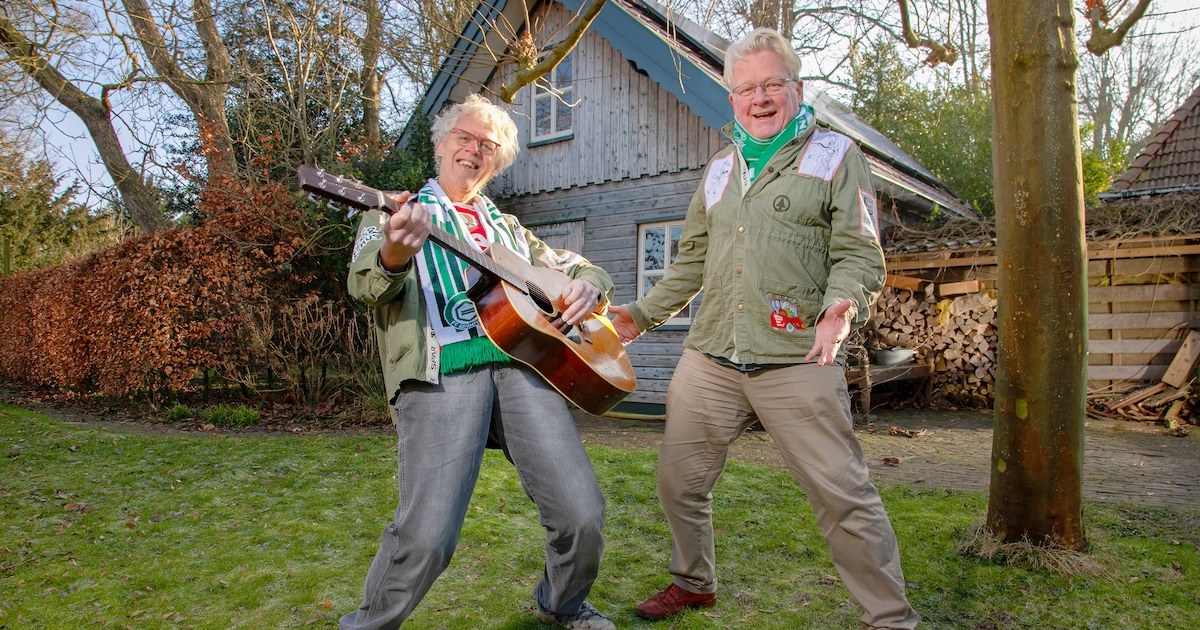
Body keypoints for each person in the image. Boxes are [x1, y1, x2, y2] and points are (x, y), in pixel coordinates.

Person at [609, 28, 919, 630]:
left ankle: (889, 619)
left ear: (797, 88)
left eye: (773, 84)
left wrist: (839, 308)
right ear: (731, 99)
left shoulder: (835, 156)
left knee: (843, 495)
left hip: (797, 356)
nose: (761, 97)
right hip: (713, 355)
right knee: (680, 481)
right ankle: (694, 582)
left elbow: (859, 252)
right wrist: (641, 314)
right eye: (746, 88)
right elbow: (692, 261)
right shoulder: (720, 168)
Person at [341, 94, 615, 630]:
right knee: (427, 535)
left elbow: (576, 267)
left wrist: (589, 286)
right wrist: (396, 251)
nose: (473, 149)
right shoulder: (390, 211)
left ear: (497, 160)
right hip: (440, 370)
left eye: (487, 145)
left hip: (523, 369)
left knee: (582, 514)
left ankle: (563, 604)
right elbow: (364, 284)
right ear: (441, 144)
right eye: (463, 137)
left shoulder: (510, 230)